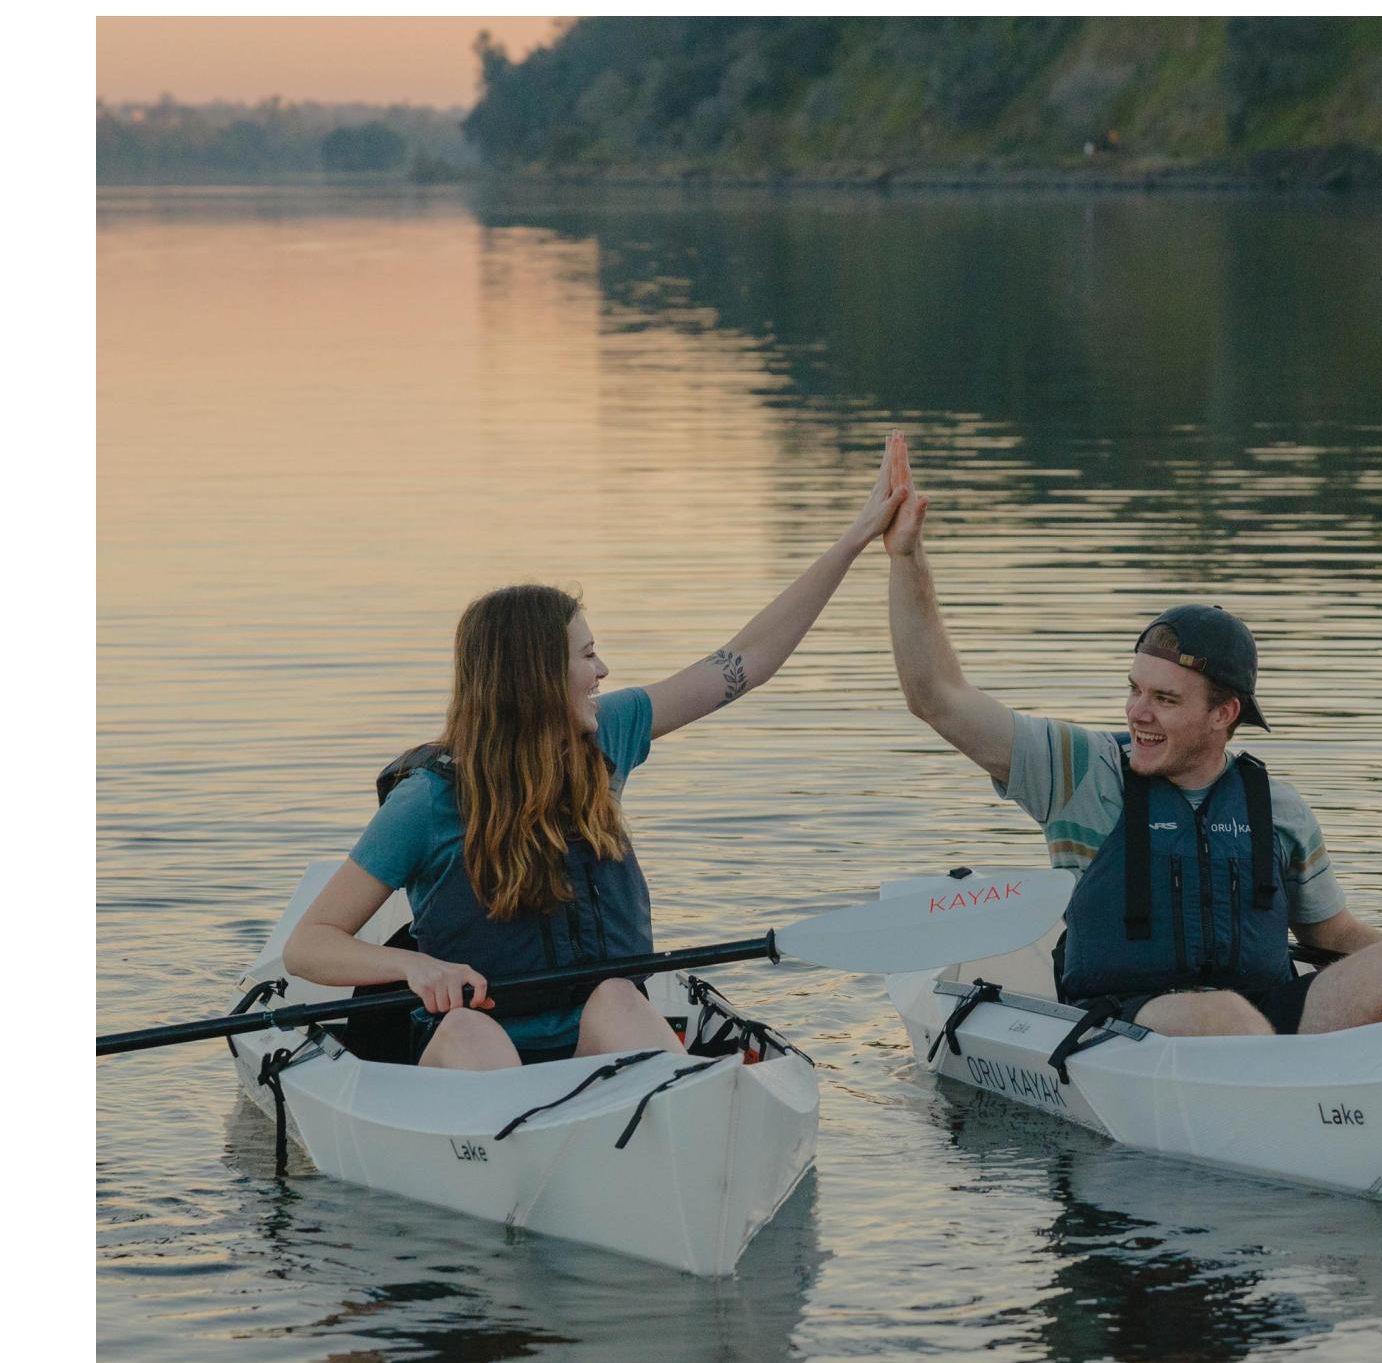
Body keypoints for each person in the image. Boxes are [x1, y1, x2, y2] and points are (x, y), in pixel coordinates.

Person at [282, 436, 912, 1069]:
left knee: (617, 995)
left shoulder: (608, 734)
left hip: (598, 1044)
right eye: (587, 656)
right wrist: (414, 966)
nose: (603, 671)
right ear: (536, 678)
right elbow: (308, 945)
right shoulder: (426, 802)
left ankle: (666, 1095)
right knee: (474, 1033)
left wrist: (856, 538)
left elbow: (748, 659)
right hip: (474, 1051)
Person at [880, 437, 1382, 1037]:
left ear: (1223, 714)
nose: (1138, 713)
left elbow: (1331, 934)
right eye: (1135, 689)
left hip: (1268, 1022)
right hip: (1126, 1023)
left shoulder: (1278, 807)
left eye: (1164, 700)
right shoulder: (1079, 771)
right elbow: (937, 696)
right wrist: (907, 557)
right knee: (1223, 1015)